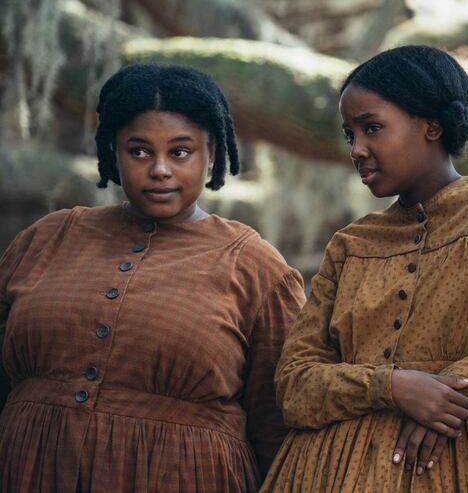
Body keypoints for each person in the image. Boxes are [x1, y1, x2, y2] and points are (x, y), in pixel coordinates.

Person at [261, 45, 468, 492]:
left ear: (432, 125)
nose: (357, 149)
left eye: (372, 128)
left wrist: (453, 390)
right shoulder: (350, 244)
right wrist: (391, 387)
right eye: (350, 134)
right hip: (320, 471)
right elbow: (294, 385)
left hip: (444, 469)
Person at [0, 63, 305, 492]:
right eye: (139, 151)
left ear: (212, 153)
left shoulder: (255, 267)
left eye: (180, 152)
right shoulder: (50, 237)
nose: (159, 168)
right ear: (113, 152)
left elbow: (279, 422)